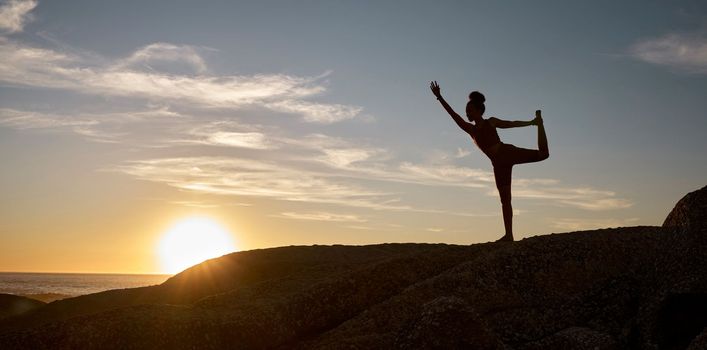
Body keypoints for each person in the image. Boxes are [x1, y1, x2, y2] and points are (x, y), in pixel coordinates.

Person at [429, 81, 548, 242]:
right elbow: (453, 115)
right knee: (505, 200)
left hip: (507, 152)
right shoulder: (471, 130)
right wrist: (440, 97)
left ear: (478, 110)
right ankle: (509, 235)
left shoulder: (491, 122)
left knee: (543, 154)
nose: (467, 114)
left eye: (469, 111)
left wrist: (532, 123)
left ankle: (540, 124)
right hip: (498, 165)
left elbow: (510, 124)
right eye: (466, 111)